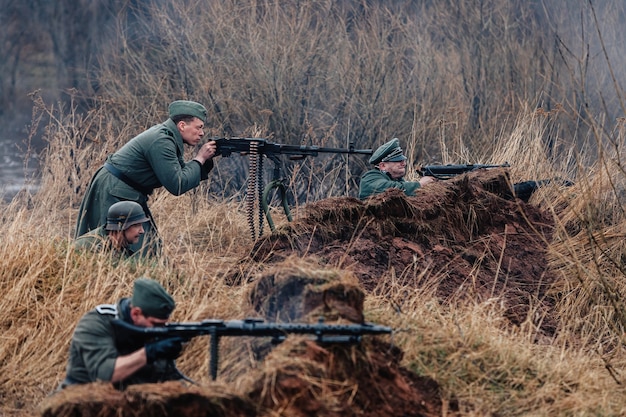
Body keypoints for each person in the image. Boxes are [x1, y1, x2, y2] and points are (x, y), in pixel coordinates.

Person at [75, 100, 217, 257]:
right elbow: (177, 184)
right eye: (199, 127)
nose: (202, 133)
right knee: (118, 248)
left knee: (147, 247)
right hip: (115, 189)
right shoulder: (162, 141)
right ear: (182, 125)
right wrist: (199, 158)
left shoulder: (169, 138)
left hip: (124, 189)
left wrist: (206, 159)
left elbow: (182, 172)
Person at [58, 277, 185, 390]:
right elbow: (106, 375)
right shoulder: (96, 323)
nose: (160, 330)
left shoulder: (150, 331)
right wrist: (149, 352)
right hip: (80, 400)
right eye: (156, 324)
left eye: (163, 324)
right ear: (136, 313)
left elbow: (171, 379)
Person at [359, 138, 436, 199]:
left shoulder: (396, 179)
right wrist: (420, 184)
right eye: (398, 161)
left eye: (403, 160)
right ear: (382, 166)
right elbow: (392, 190)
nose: (404, 164)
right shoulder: (370, 179)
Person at [73, 201, 149, 260]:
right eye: (136, 225)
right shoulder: (93, 249)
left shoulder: (118, 242)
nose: (142, 231)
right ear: (120, 227)